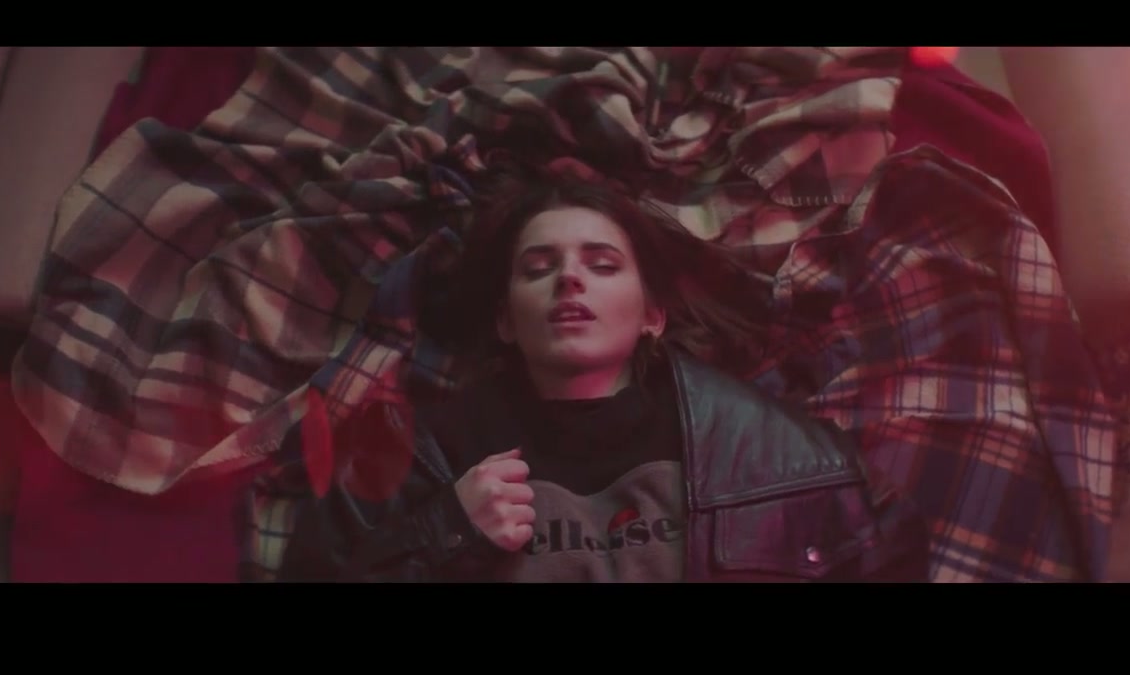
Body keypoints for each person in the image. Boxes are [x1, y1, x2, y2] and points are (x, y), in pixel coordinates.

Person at [272, 169, 930, 582]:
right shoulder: (416, 455)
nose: (569, 279)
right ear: (505, 320)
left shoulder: (771, 450)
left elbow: (891, 555)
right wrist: (446, 529)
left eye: (603, 264)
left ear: (652, 316)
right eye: (539, 268)